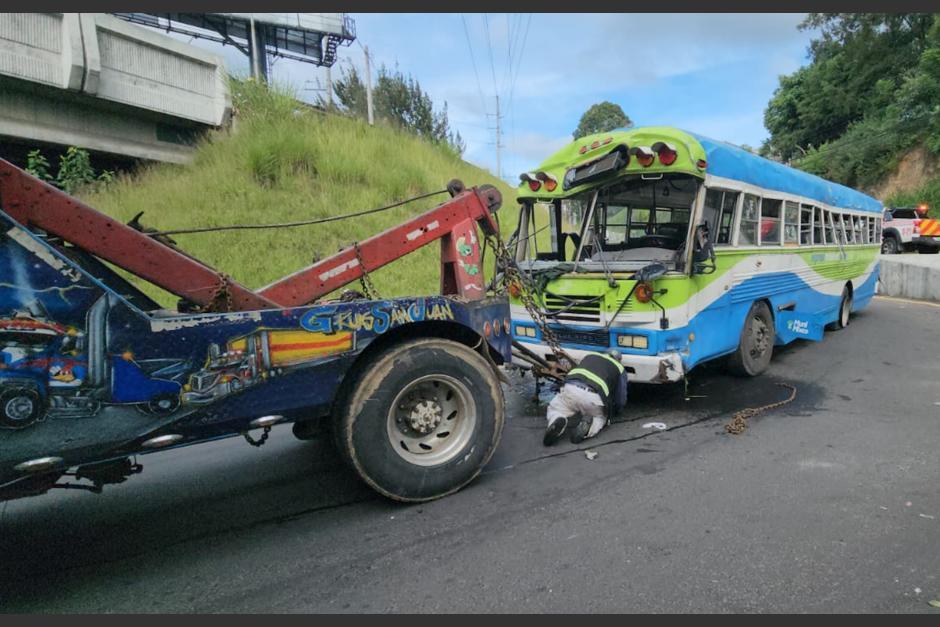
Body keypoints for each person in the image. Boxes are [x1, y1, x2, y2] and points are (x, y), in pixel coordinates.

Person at [543, 348, 628, 446]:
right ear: (618, 359)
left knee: (557, 409)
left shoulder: (590, 355)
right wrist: (616, 410)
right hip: (594, 397)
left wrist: (557, 390)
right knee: (600, 418)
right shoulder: (619, 367)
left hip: (571, 389)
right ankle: (590, 425)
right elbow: (620, 396)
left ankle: (557, 418)